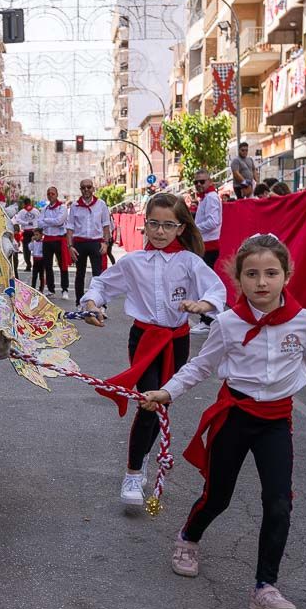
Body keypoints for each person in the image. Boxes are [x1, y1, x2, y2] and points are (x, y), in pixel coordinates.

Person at [142, 234, 306, 609]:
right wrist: (166, 392)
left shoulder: (303, 321)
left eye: (271, 273)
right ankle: (188, 537)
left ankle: (265, 586)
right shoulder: (229, 323)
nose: (261, 283)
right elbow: (201, 366)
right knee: (218, 495)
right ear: (238, 279)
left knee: (279, 502)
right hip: (235, 416)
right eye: (252, 274)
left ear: (287, 275)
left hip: (276, 423)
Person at [80, 192, 227, 506]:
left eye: (168, 225)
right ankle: (133, 473)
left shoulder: (189, 262)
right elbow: (103, 284)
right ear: (144, 226)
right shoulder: (134, 262)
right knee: (148, 404)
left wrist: (203, 304)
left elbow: (217, 289)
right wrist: (92, 303)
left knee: (163, 404)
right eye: (154, 224)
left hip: (178, 341)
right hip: (145, 340)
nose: (160, 232)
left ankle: (144, 456)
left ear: (180, 228)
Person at [66, 179, 112, 304]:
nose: (86, 189)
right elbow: (70, 228)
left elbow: (106, 225)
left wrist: (106, 243)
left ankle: (100, 305)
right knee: (79, 275)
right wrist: (70, 246)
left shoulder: (101, 204)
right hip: (79, 243)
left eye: (89, 187)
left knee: (98, 276)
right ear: (80, 189)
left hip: (96, 243)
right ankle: (79, 304)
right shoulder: (75, 206)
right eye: (83, 187)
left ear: (93, 188)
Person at [39, 186, 70, 299]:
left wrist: (46, 220)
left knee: (63, 265)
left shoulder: (62, 207)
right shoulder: (45, 209)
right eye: (48, 193)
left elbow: (59, 221)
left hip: (59, 239)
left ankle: (65, 289)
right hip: (47, 239)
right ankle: (51, 289)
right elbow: (39, 224)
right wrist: (51, 222)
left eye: (52, 193)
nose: (50, 195)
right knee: (48, 266)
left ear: (56, 195)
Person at [12, 197, 40, 276]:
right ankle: (36, 265)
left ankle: (28, 264)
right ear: (30, 203)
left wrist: (26, 223)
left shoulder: (21, 212)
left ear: (24, 203)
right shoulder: (36, 211)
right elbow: (39, 219)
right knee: (36, 249)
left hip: (27, 232)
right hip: (35, 232)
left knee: (26, 250)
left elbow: (18, 220)